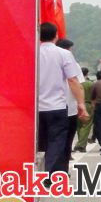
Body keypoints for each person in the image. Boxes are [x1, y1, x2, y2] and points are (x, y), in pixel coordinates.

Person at [38, 23, 86, 175]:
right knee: (57, 142)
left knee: (39, 143)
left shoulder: (33, 52)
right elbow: (73, 80)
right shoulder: (64, 54)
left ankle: (38, 173)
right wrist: (81, 104)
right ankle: (52, 174)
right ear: (56, 35)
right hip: (57, 106)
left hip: (35, 108)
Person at [55, 39, 82, 163]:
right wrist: (81, 104)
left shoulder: (41, 58)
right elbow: (76, 83)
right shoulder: (73, 63)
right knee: (67, 137)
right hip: (69, 107)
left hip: (45, 107)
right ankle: (63, 165)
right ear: (68, 50)